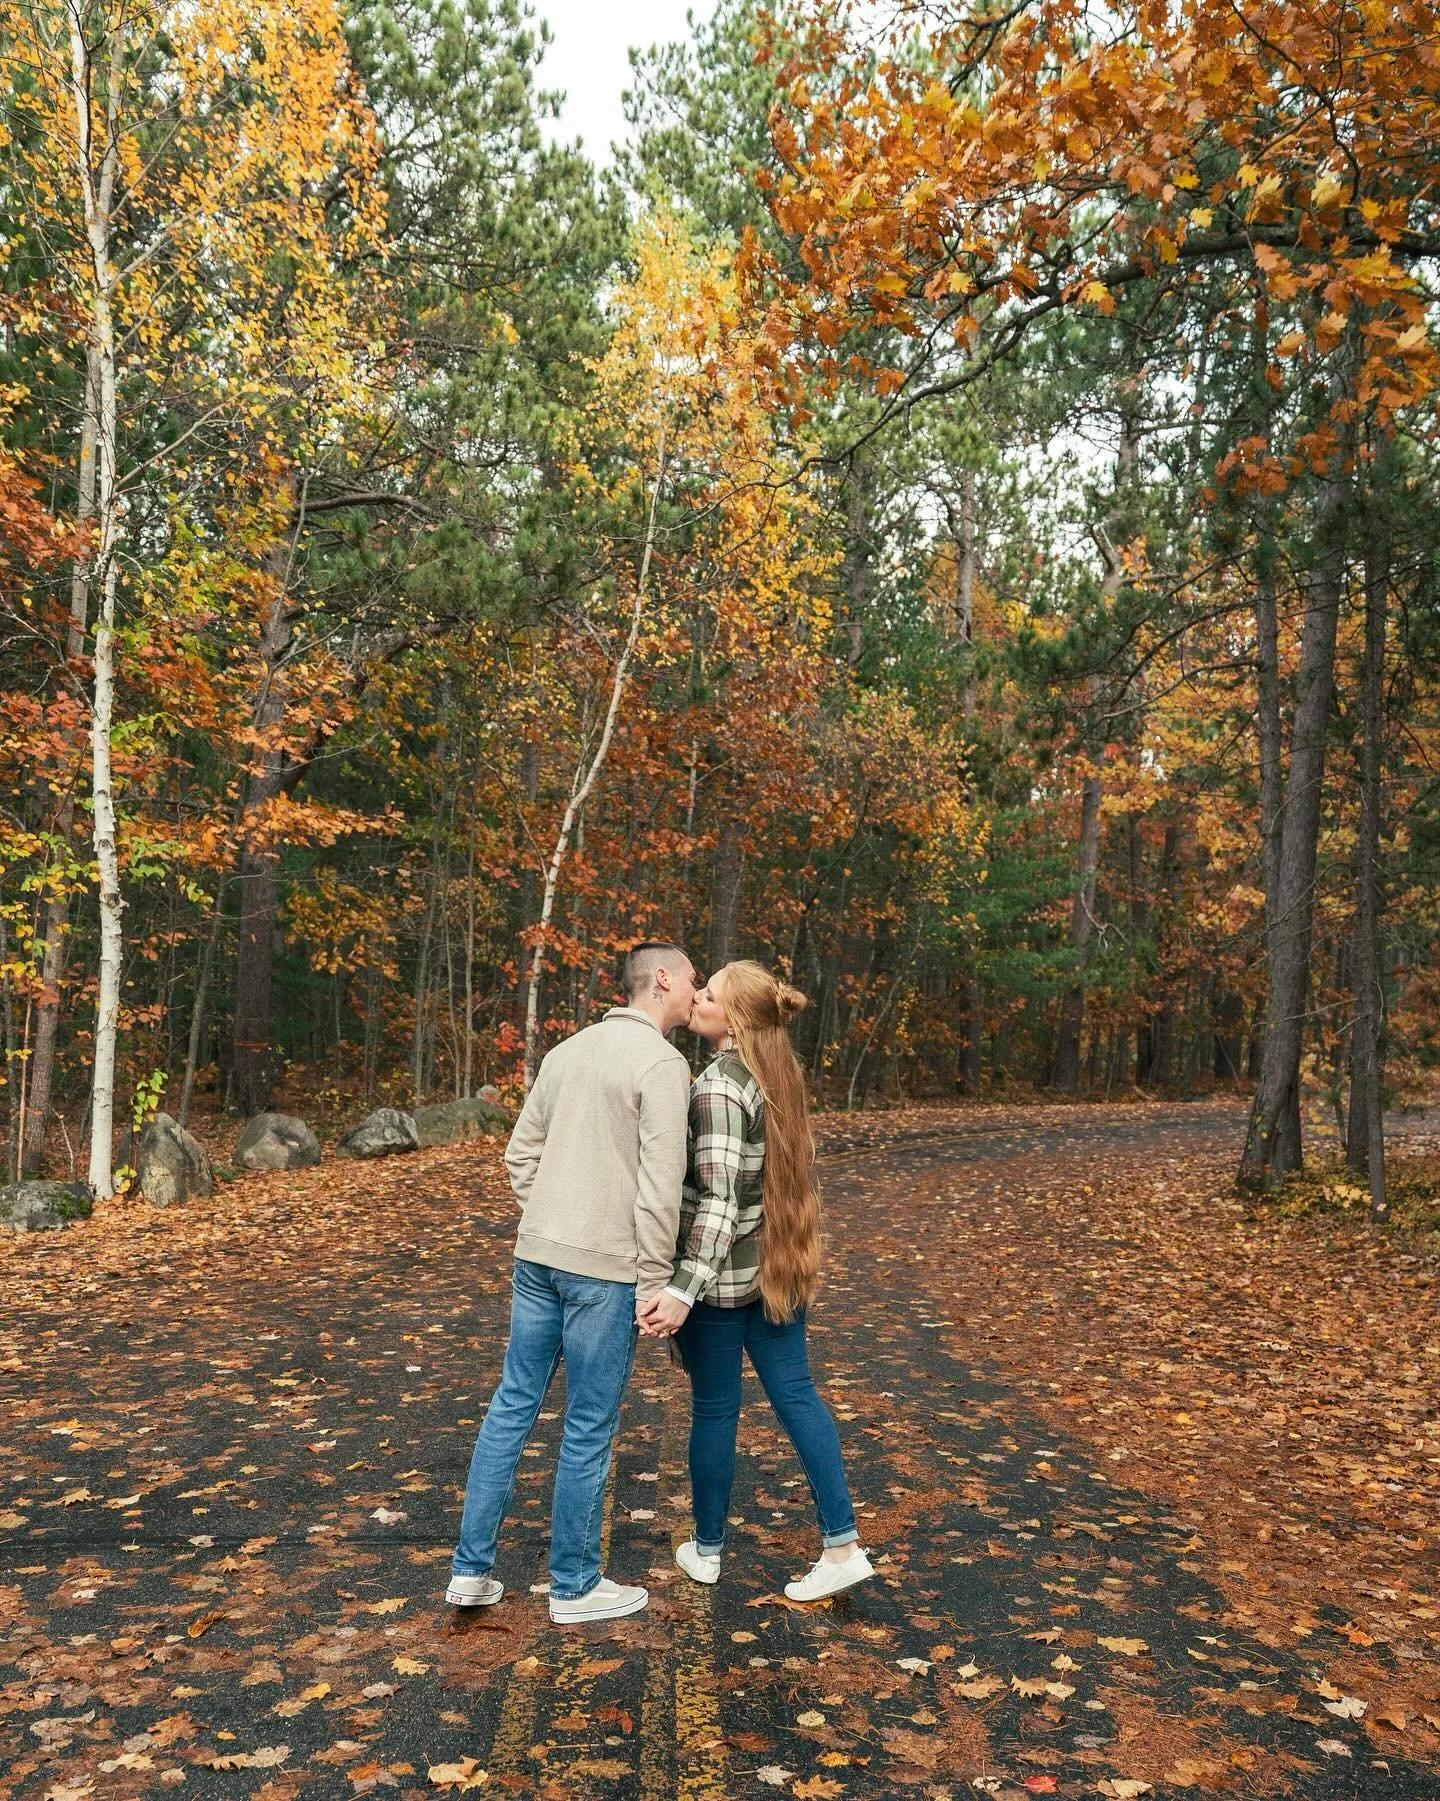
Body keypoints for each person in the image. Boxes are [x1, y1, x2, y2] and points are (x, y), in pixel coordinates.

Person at [447, 940, 697, 1624]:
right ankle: (576, 1585)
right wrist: (655, 1277)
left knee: (511, 1405)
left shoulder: (567, 1051)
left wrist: (554, 1216)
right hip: (604, 1270)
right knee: (588, 1424)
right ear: (663, 980)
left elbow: (519, 1154)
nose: (694, 994)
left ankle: (470, 1571)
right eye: (691, 981)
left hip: (538, 1258)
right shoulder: (661, 1063)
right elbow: (660, 1185)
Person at [639, 960, 874, 1603]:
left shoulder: (716, 1087)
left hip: (720, 1286)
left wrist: (683, 1288)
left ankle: (708, 1551)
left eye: (709, 994)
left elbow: (716, 1202)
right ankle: (841, 1544)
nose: (698, 1000)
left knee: (716, 1409)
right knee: (799, 1398)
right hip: (774, 1274)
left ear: (734, 1018)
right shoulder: (775, 1078)